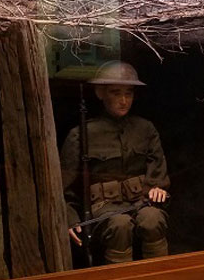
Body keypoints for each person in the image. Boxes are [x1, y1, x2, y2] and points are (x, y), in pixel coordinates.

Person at [60, 61, 170, 264]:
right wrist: (69, 218)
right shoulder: (81, 135)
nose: (123, 100)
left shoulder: (144, 129)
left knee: (153, 220)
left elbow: (157, 167)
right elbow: (65, 187)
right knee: (120, 225)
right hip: (103, 207)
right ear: (101, 93)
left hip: (140, 201)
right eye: (115, 93)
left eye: (128, 93)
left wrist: (157, 187)